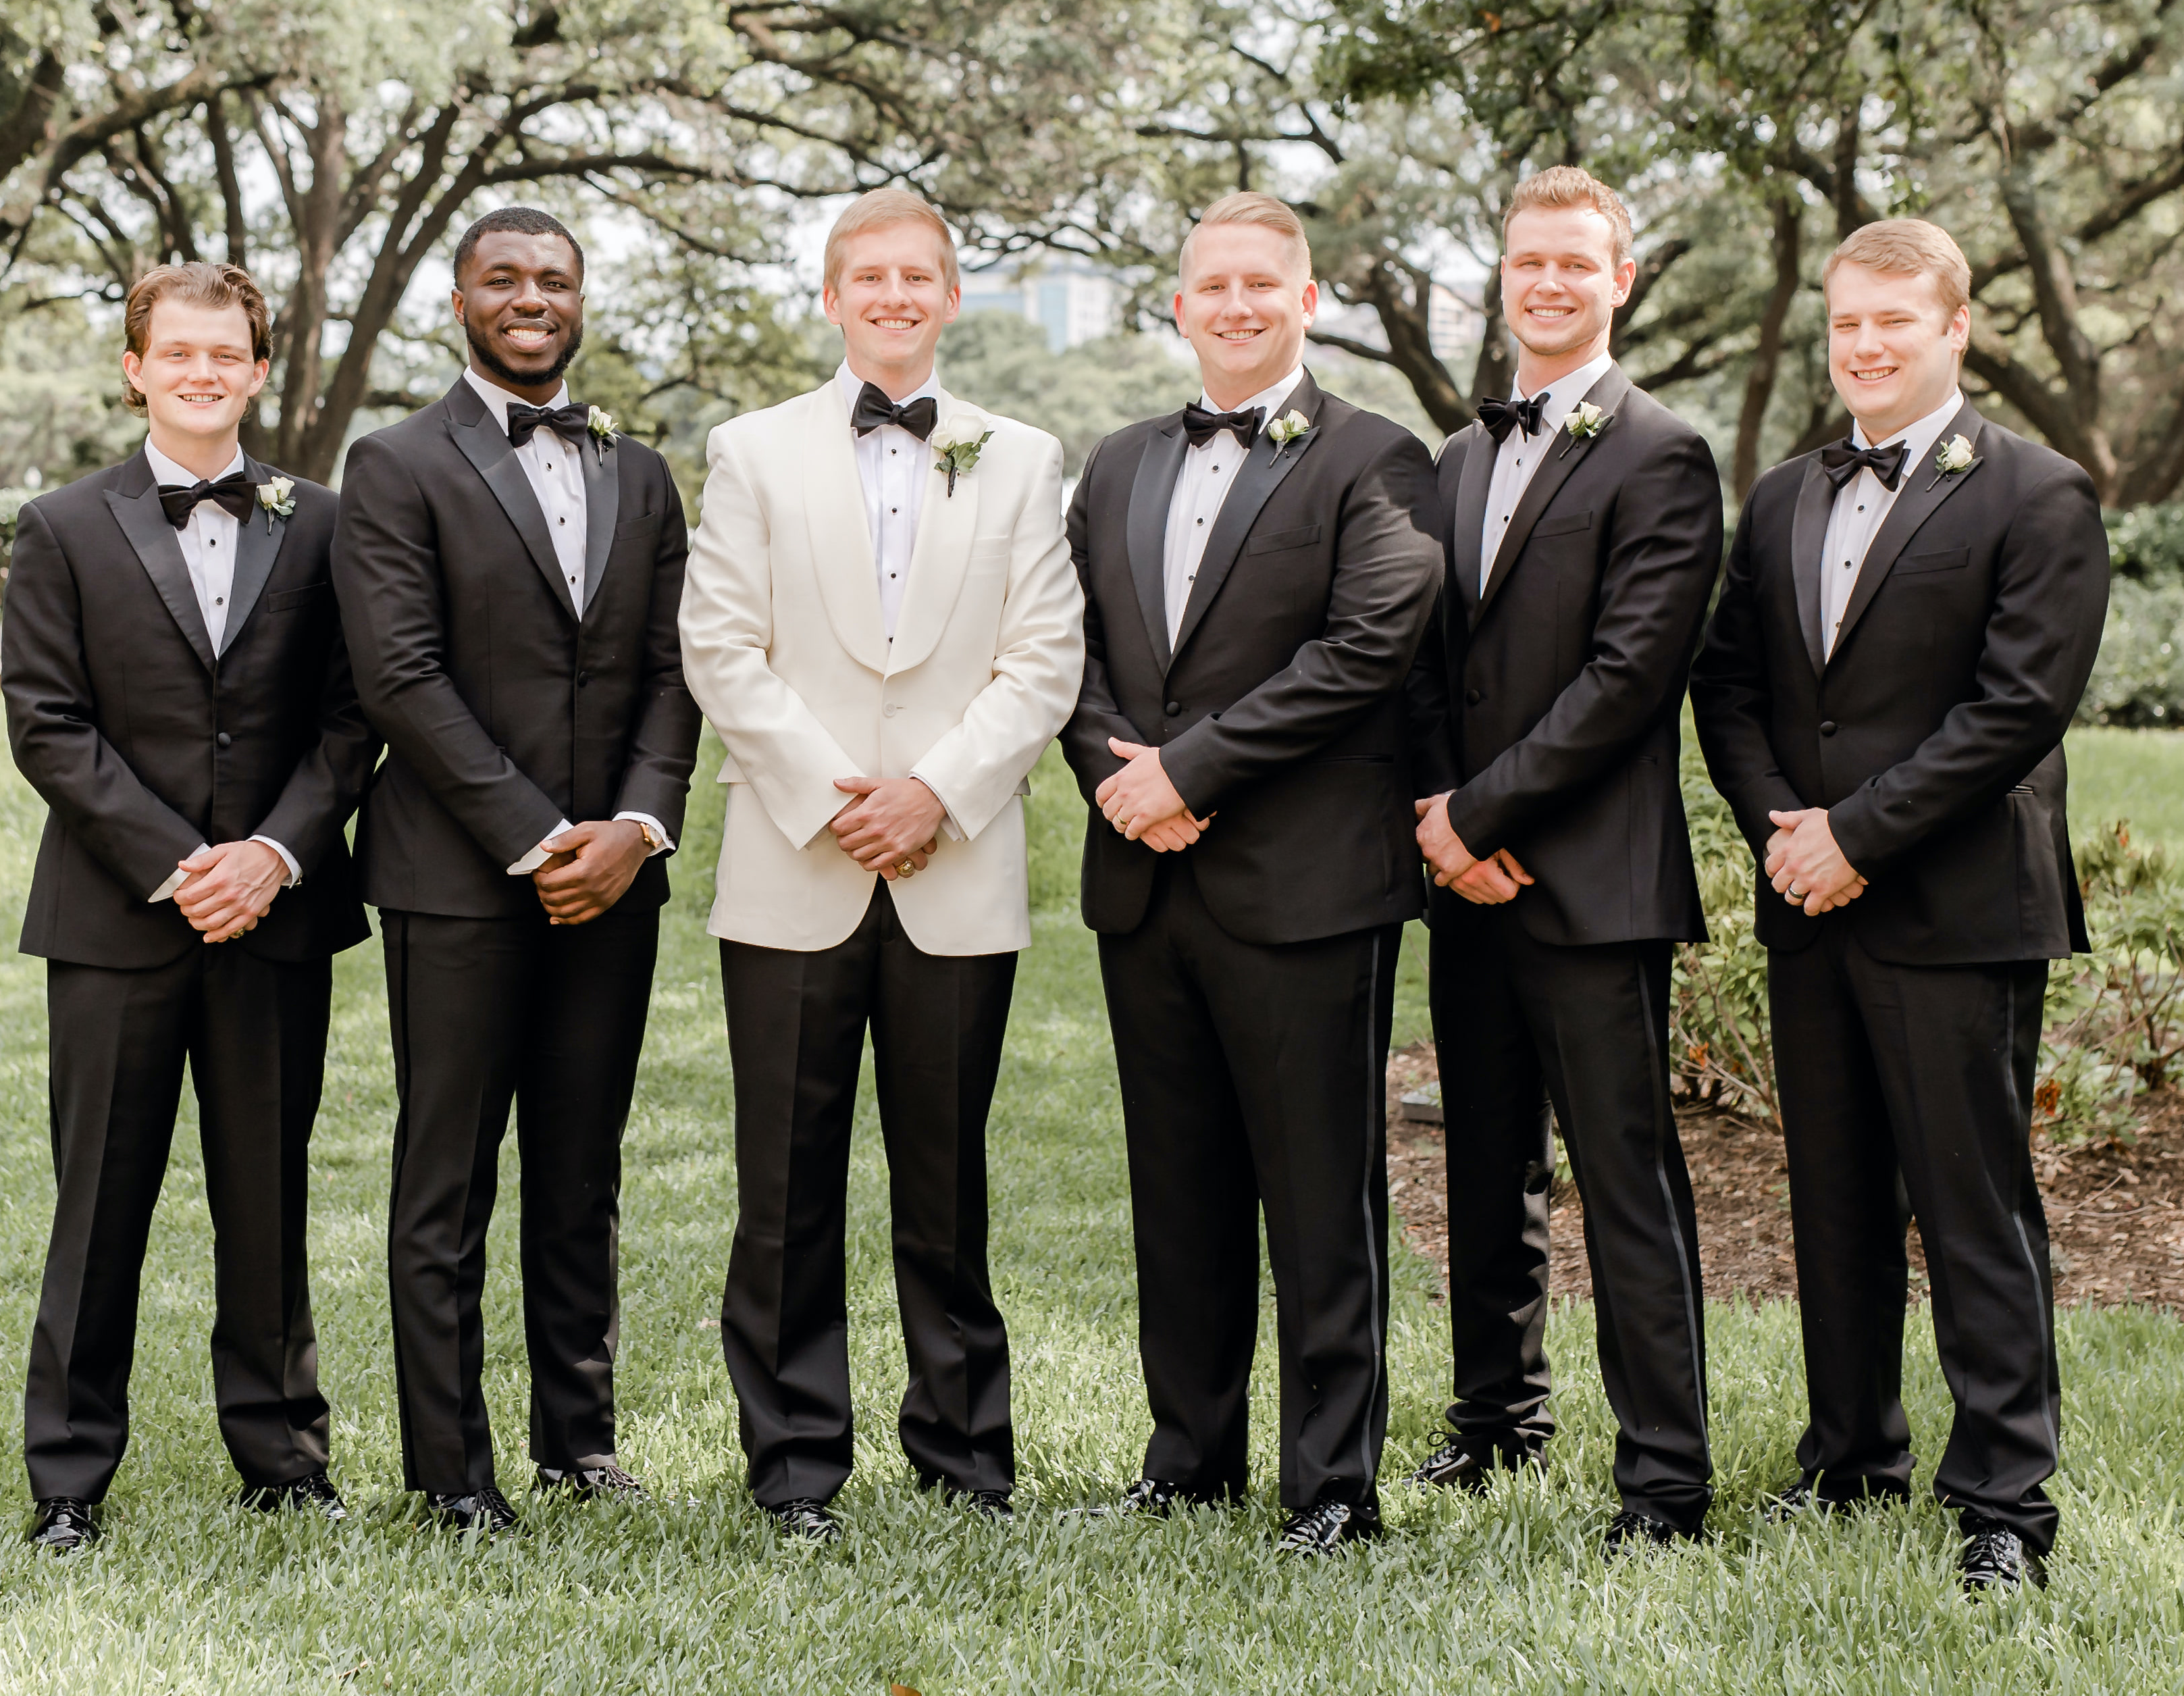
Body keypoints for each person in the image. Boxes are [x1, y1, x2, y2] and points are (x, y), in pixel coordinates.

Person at [1691, 219, 2108, 1594]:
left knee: (1971, 1203)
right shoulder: (1780, 496)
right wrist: (1781, 832)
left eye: (1893, 322)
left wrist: (1856, 836)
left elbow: (2016, 707)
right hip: (1809, 900)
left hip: (1959, 906)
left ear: (1954, 328)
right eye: (1845, 323)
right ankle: (1847, 1455)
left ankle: (2003, 1498)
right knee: (1832, 1199)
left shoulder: (2036, 490)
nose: (1864, 345)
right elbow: (1730, 686)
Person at [679, 188, 1083, 1543]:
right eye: (872, 276)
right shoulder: (751, 450)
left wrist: (938, 794)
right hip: (794, 864)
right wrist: (833, 794)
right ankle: (795, 1464)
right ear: (834, 294)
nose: (897, 295)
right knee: (784, 1185)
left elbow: (1045, 659)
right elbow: (720, 645)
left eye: (922, 275)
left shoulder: (1021, 456)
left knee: (946, 1182)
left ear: (952, 297)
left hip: (954, 863)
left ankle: (965, 1454)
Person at [1060, 190, 1440, 1555]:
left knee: (1319, 1193)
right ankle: (1189, 1454)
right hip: (1144, 881)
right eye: (1208, 286)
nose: (1232, 306)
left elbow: (1362, 650)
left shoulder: (1380, 459)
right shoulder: (1112, 464)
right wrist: (1119, 783)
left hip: (1306, 887)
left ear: (1305, 300)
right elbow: (1073, 650)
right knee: (1179, 1184)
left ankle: (1331, 1485)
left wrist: (1188, 771)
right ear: (1178, 305)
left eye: (1257, 286)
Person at [333, 206, 701, 1533]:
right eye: (506, 278)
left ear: (581, 299)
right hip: (456, 875)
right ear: (460, 300)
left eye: (554, 278)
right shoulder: (393, 465)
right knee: (448, 1175)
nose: (532, 296)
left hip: (616, 878)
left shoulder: (641, 471)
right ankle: (450, 1470)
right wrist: (539, 836)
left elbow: (674, 667)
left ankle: (578, 1442)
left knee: (579, 1161)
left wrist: (637, 826)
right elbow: (399, 675)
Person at [1, 262, 375, 1551]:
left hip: (279, 912)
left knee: (266, 1193)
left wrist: (270, 853)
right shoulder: (60, 526)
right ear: (137, 367)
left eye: (229, 354)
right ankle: (67, 1480)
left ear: (260, 369)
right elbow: (47, 726)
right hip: (114, 921)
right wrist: (180, 863)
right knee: (99, 1199)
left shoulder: (324, 522)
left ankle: (281, 1455)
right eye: (180, 354)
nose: (204, 373)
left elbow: (352, 715)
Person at [1409, 166, 1725, 1558]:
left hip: (1591, 881)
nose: (1546, 281)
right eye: (1525, 259)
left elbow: (1626, 679)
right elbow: (1422, 665)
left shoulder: (1662, 451)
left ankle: (1663, 1479)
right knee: (1487, 1161)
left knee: (1624, 1176)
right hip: (1462, 881)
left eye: (1573, 264)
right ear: (1502, 272)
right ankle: (1495, 1420)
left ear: (1621, 278)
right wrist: (1436, 814)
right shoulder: (1456, 457)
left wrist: (1477, 817)